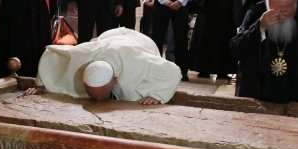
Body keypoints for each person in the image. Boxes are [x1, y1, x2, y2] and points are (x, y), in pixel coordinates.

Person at [25, 28, 182, 105]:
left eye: (101, 96)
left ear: (115, 80)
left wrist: (158, 95)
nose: (98, 101)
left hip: (141, 42)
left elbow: (174, 72)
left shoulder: (140, 61)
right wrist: (43, 84)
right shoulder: (84, 55)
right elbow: (51, 55)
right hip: (108, 37)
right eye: (94, 96)